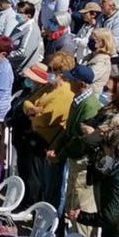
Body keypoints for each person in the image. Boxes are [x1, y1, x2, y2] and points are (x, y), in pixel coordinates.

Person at [49, 64, 102, 237]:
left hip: (83, 166)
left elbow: (81, 141)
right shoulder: (78, 100)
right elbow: (69, 131)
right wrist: (56, 148)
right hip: (73, 162)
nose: (68, 81)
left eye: (72, 79)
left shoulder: (90, 106)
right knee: (72, 204)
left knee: (81, 208)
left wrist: (60, 155)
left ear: (81, 83)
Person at [18, 56, 76, 209]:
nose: (48, 72)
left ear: (61, 73)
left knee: (47, 183)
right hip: (36, 137)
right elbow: (28, 101)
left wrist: (32, 114)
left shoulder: (66, 93)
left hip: (49, 142)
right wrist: (32, 110)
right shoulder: (49, 87)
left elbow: (45, 120)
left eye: (51, 70)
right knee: (35, 177)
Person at [83, 28, 116, 97]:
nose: (89, 42)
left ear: (103, 43)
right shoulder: (92, 55)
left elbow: (89, 77)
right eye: (90, 39)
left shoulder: (103, 61)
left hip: (91, 96)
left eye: (93, 40)